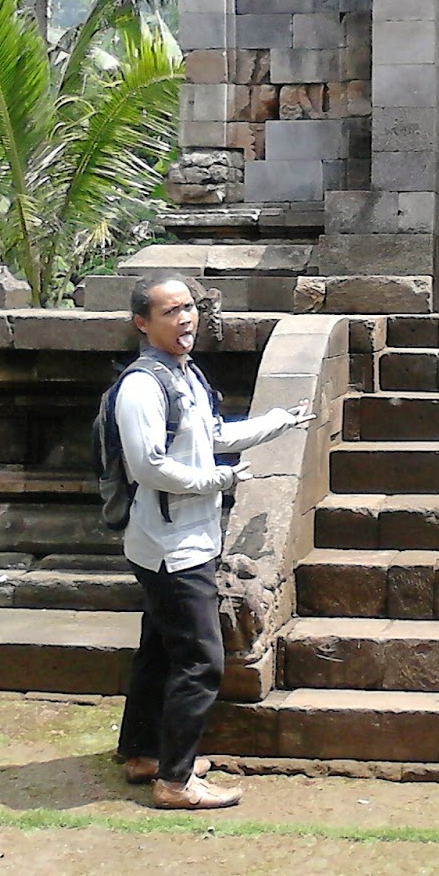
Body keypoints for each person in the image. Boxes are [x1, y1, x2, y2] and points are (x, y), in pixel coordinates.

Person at [113, 275, 311, 809]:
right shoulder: (141, 387)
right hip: (171, 547)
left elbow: (214, 435)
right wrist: (218, 480)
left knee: (158, 650)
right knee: (202, 661)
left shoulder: (184, 374)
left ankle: (145, 754)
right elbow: (148, 465)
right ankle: (176, 782)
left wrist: (279, 422)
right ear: (142, 323)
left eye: (189, 308)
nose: (185, 319)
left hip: (181, 539)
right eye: (170, 312)